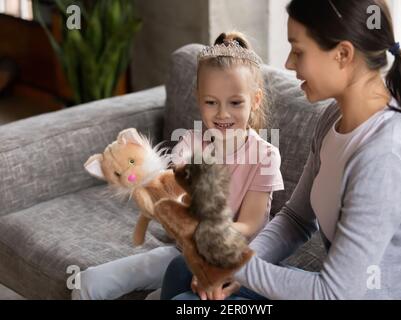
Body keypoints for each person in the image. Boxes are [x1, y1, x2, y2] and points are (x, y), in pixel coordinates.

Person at [161, 0, 401, 300]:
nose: (288, 63)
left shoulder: (386, 156)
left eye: (298, 50)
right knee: (182, 269)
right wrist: (236, 264)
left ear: (343, 54)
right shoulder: (333, 119)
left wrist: (237, 267)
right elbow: (297, 219)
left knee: (186, 303)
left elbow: (332, 293)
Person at [71, 31, 284, 300]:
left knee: (171, 286)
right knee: (90, 281)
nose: (222, 114)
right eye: (211, 102)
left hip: (235, 260)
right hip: (185, 250)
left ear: (254, 100)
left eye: (235, 103)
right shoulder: (191, 143)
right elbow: (171, 192)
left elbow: (251, 224)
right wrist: (137, 176)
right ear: (198, 98)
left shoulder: (265, 155)